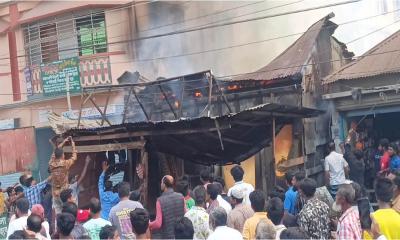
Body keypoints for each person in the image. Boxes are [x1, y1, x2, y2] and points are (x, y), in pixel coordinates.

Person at [49, 136, 77, 214]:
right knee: (68, 212)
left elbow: (55, 152)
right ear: (62, 155)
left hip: (55, 194)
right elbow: (74, 157)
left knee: (58, 214)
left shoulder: (51, 164)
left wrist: (64, 142)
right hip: (64, 194)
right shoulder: (65, 164)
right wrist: (73, 144)